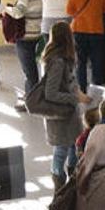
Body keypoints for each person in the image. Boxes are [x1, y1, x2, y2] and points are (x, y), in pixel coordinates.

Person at [41, 22, 92, 192]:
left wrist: (78, 94)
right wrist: (75, 98)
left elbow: (70, 82)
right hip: (60, 116)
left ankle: (71, 183)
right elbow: (51, 93)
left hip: (68, 114)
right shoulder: (57, 62)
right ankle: (60, 186)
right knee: (61, 150)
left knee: (72, 146)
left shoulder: (63, 58)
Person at [0, 0, 42, 110]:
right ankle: (31, 97)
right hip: (36, 34)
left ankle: (30, 102)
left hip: (25, 37)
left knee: (29, 71)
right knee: (31, 69)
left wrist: (5, 8)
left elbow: (18, 13)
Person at [66, 0, 105, 92]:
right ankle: (97, 89)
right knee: (97, 62)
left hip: (78, 30)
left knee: (81, 62)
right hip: (96, 30)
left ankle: (82, 90)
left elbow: (69, 11)